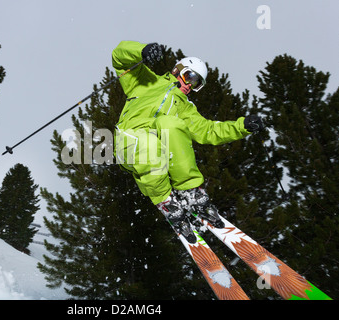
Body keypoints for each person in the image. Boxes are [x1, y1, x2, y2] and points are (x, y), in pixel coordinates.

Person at [112, 41, 264, 242]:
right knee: (149, 144)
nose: (190, 85)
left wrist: (242, 126)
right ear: (178, 70)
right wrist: (141, 52)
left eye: (197, 83)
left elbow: (209, 130)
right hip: (129, 142)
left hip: (155, 151)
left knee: (171, 124)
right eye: (189, 77)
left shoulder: (185, 108)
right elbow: (119, 57)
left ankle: (190, 191)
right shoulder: (145, 81)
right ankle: (165, 200)